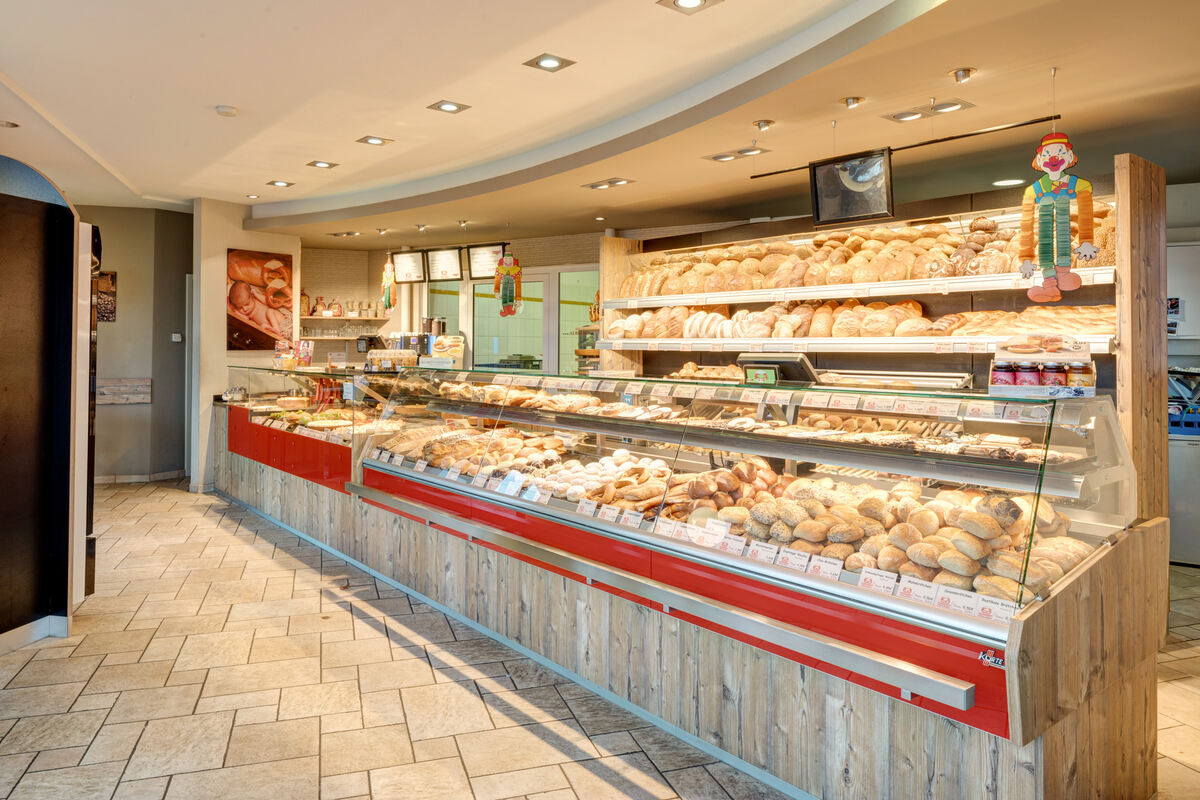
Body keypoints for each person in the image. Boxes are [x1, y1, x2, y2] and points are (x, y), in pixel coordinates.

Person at [1018, 132, 1098, 302]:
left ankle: (1063, 273)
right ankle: (1050, 286)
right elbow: (1026, 226)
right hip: (1045, 221)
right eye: (1047, 154)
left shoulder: (1079, 185)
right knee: (1044, 244)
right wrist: (1026, 258)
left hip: (1064, 215)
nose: (1053, 159)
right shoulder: (1033, 190)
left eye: (1060, 153)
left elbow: (1086, 213)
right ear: (1039, 160)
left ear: (1070, 156)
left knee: (1063, 236)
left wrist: (1086, 241)